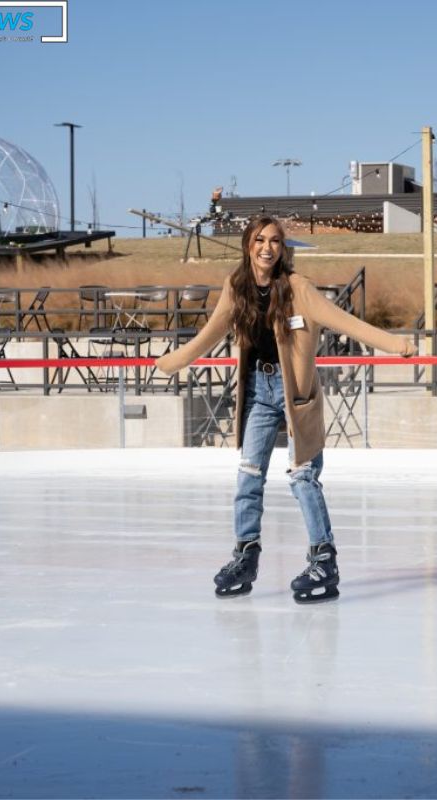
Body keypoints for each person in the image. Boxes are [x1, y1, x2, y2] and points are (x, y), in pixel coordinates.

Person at [155, 217, 417, 602]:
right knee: (248, 474)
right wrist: (171, 362)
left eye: (275, 241)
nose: (267, 247)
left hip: (297, 394)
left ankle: (323, 560)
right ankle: (245, 555)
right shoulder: (237, 287)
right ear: (248, 244)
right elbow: (208, 335)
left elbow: (346, 321)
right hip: (260, 392)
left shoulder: (298, 289)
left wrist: (394, 345)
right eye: (259, 240)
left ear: (282, 248)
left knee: (302, 477)